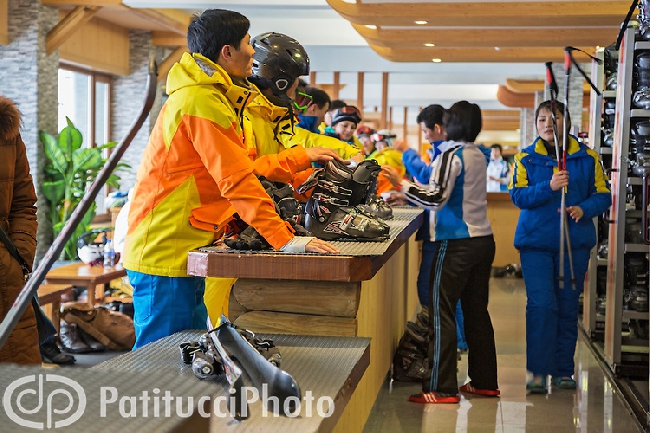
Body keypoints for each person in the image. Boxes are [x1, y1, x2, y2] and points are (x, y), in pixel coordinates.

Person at [123, 9, 339, 349]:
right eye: (248, 43)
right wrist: (283, 240)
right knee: (158, 366)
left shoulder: (215, 98)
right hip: (165, 250)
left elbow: (244, 167)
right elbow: (236, 179)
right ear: (227, 51)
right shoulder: (200, 101)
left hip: (187, 244)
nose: (253, 53)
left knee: (185, 358)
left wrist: (302, 161)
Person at [384, 101, 499, 403]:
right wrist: (407, 194)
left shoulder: (451, 155)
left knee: (440, 312)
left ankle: (440, 387)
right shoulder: (478, 154)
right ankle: (485, 381)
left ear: (454, 124)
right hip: (482, 240)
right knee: (476, 312)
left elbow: (436, 198)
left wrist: (403, 184)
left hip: (455, 241)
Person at [510, 100, 611, 393]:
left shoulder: (587, 158)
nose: (546, 125)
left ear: (567, 122)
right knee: (542, 305)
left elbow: (604, 195)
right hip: (536, 244)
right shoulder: (525, 159)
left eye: (553, 119)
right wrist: (549, 187)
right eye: (541, 120)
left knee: (567, 307)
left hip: (574, 244)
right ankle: (539, 373)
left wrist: (583, 208)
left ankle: (564, 370)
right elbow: (518, 196)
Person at [392, 104, 468, 354]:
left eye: (425, 131)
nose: (424, 135)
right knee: (445, 290)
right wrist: (410, 198)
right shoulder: (451, 152)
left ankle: (452, 342)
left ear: (437, 128)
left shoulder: (448, 154)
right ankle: (456, 340)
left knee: (432, 288)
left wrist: (406, 155)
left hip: (445, 231)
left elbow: (431, 186)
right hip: (447, 230)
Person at [0, 95, 41, 365]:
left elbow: (24, 203)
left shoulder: (6, 128)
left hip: (5, 279)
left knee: (19, 394)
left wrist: (19, 256)